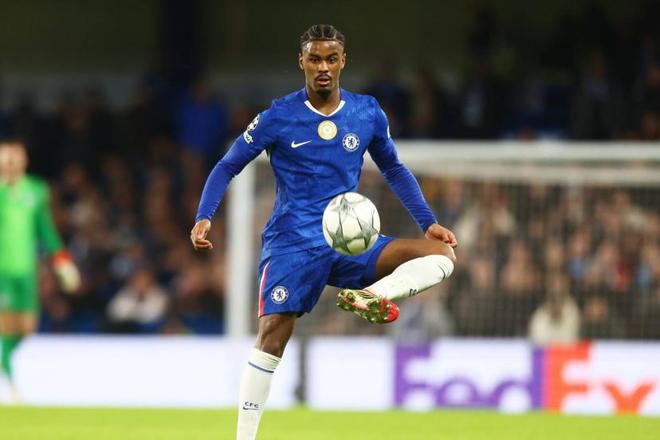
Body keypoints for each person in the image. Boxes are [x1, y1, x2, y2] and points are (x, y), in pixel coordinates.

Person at [190, 25, 457, 440]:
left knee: (442, 255)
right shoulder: (278, 116)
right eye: (315, 59)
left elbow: (393, 167)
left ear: (343, 61)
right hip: (292, 243)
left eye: (331, 59)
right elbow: (228, 164)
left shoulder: (367, 112)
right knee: (272, 337)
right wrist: (205, 215)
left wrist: (428, 222)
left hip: (347, 241)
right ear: (302, 61)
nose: (323, 68)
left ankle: (374, 296)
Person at [0, 139, 80, 401]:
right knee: (6, 326)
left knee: (27, 327)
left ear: (24, 160)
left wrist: (63, 261)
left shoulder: (36, 190)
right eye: (5, 157)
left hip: (27, 271)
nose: (10, 162)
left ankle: (6, 364)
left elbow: (46, 229)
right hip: (3, 273)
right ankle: (11, 384)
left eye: (15, 157)